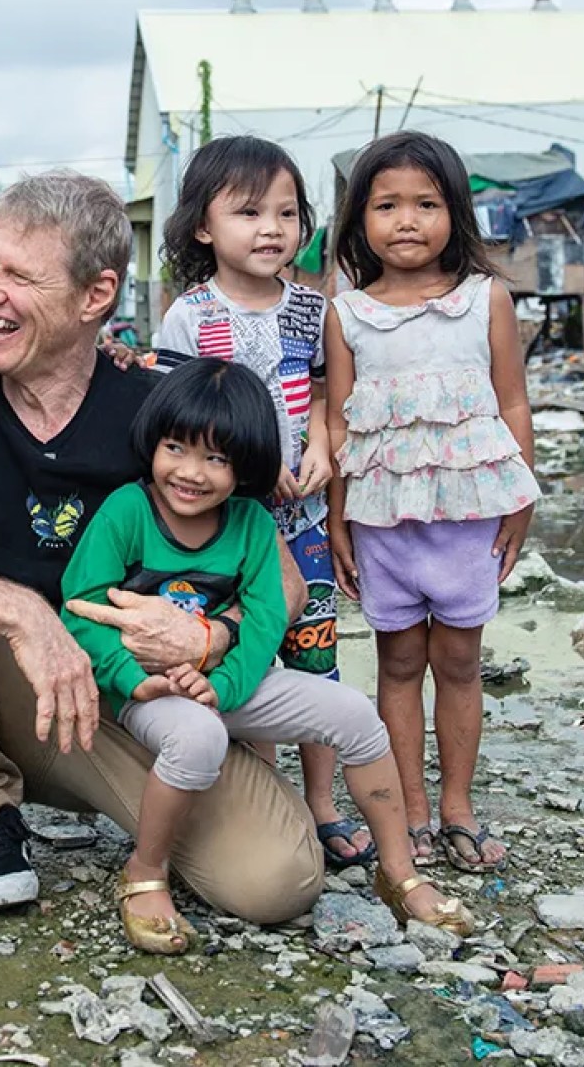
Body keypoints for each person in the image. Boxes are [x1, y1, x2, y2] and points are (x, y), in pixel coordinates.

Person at [0, 171, 326, 923]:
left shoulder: (158, 411)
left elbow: (284, 583)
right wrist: (25, 616)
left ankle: (131, 803)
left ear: (94, 297)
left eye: (17, 274)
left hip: (122, 702)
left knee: (276, 882)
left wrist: (211, 636)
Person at [63, 359, 474, 953]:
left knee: (357, 717)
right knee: (198, 738)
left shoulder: (251, 524)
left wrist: (223, 685)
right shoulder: (128, 511)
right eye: (175, 448)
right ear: (152, 442)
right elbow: (80, 610)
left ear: (247, 466)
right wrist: (130, 677)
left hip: (225, 680)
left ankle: (399, 871)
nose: (191, 473)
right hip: (144, 690)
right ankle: (145, 871)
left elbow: (262, 623)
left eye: (217, 459)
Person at [324, 131, 540, 875]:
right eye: (386, 205)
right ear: (359, 221)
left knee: (458, 661)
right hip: (382, 517)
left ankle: (457, 807)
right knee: (397, 661)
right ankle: (410, 809)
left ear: (457, 214)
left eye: (426, 203)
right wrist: (336, 519)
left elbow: (512, 406)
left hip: (470, 513)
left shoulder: (487, 300)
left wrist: (521, 503)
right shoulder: (348, 313)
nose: (406, 221)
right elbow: (339, 423)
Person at [150, 137, 362, 871]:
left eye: (285, 212)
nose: (271, 228)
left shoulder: (310, 308)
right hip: (227, 528)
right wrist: (251, 465)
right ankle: (264, 803)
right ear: (203, 227)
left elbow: (332, 393)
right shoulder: (189, 316)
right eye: (247, 212)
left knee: (313, 660)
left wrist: (321, 450)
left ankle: (324, 804)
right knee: (243, 658)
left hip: (301, 518)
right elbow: (178, 423)